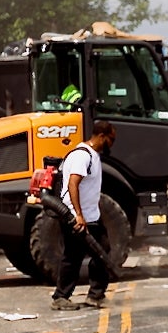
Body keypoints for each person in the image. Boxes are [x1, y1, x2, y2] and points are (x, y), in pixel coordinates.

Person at [51, 120, 116, 310]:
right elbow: (73, 184)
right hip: (75, 216)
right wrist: (78, 215)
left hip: (91, 216)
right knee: (73, 256)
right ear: (102, 137)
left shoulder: (93, 155)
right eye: (111, 139)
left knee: (101, 251)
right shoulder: (82, 155)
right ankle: (60, 297)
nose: (112, 144)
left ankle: (95, 295)